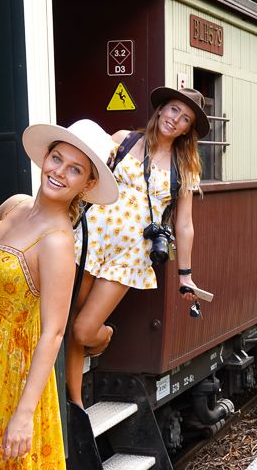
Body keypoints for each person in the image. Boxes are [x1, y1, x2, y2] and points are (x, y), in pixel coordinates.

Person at [0, 119, 119, 469]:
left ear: (87, 184)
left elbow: (54, 333)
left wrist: (24, 415)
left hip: (3, 373)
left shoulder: (58, 242)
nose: (59, 172)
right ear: (45, 156)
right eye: (57, 158)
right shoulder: (14, 205)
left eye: (74, 169)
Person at [66, 87, 211, 407]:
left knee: (83, 330)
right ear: (161, 110)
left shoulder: (183, 168)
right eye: (174, 110)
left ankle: (103, 338)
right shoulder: (122, 140)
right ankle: (75, 406)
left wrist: (185, 274)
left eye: (185, 118)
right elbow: (83, 174)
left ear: (188, 129)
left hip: (128, 256)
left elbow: (183, 224)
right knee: (70, 319)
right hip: (90, 241)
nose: (176, 120)